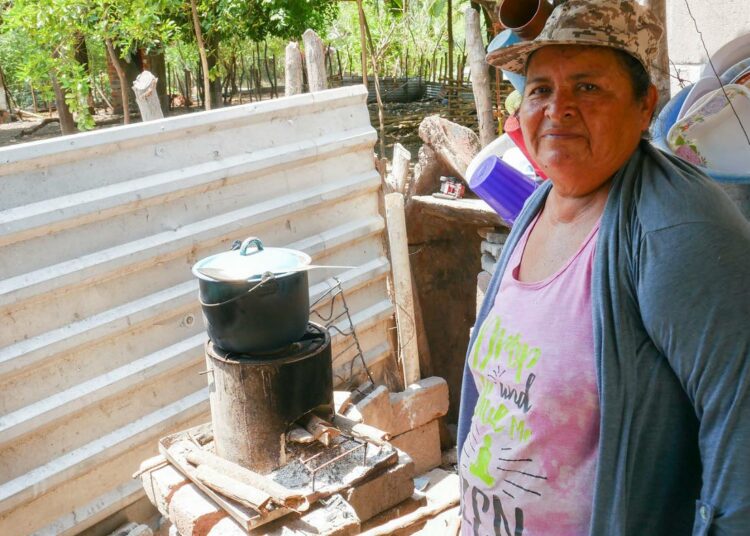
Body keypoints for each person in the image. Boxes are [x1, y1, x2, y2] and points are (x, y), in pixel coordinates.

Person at [456, 1, 750, 534]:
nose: (558, 108)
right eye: (540, 88)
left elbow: (741, 420)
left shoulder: (676, 229)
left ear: (645, 108)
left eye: (588, 87)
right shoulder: (540, 203)